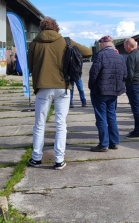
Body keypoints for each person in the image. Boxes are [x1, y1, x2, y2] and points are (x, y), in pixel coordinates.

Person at [27, 17, 92, 170]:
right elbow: (88, 52)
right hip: (63, 86)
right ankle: (59, 160)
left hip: (42, 87)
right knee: (60, 124)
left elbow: (30, 66)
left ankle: (36, 158)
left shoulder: (35, 43)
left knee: (39, 124)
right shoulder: (65, 41)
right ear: (56, 27)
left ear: (42, 28)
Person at [88, 36, 127, 152]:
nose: (100, 45)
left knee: (101, 118)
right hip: (114, 92)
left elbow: (93, 73)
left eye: (100, 43)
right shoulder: (120, 57)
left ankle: (103, 144)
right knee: (112, 116)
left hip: (100, 91)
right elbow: (125, 75)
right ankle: (114, 142)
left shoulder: (100, 55)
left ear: (104, 44)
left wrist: (91, 86)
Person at [124, 38, 139, 139]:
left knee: (136, 109)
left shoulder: (131, 57)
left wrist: (126, 84)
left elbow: (130, 74)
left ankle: (138, 131)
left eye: (124, 45)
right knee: (138, 108)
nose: (124, 47)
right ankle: (138, 129)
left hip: (134, 85)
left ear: (129, 46)